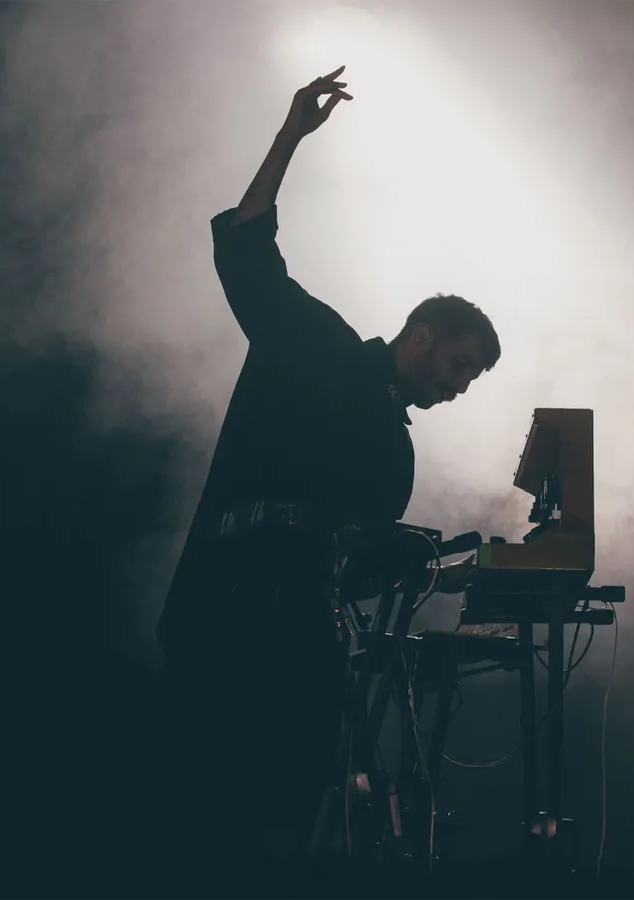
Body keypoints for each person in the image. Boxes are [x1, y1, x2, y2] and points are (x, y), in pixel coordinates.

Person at [157, 66, 501, 893]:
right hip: (230, 612)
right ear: (422, 333)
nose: (460, 386)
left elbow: (361, 565)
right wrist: (288, 139)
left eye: (472, 378)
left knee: (287, 814)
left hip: (302, 640)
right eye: (460, 364)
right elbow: (247, 251)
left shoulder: (397, 453)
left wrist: (436, 568)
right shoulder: (322, 346)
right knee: (200, 812)